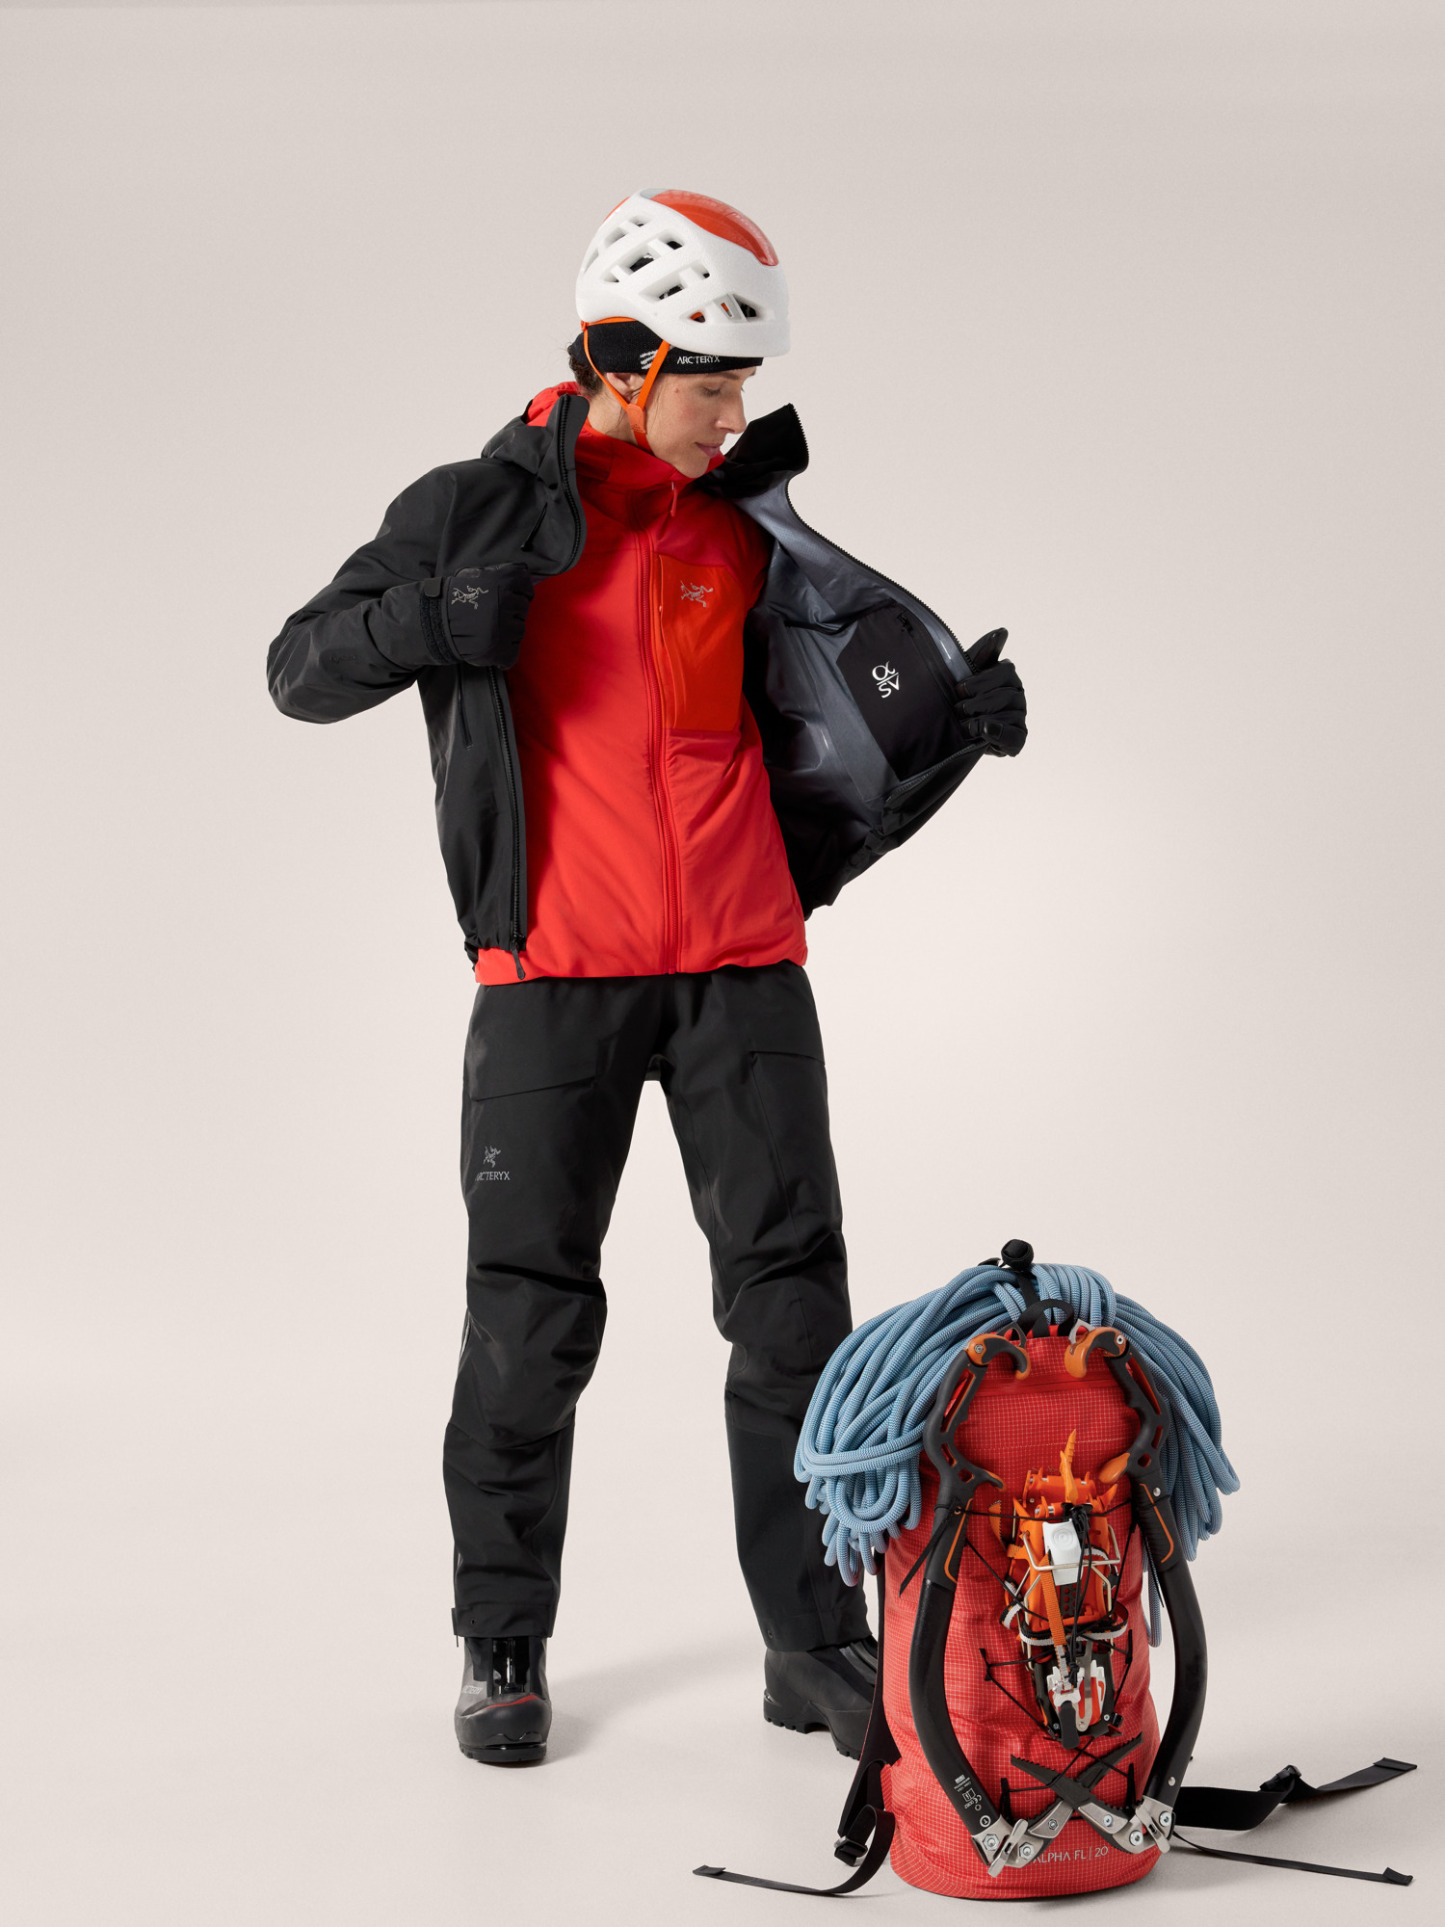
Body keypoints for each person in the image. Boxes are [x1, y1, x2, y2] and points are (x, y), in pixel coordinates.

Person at [266, 189, 1027, 1768]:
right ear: (619, 358)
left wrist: (948, 730)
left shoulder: (739, 528)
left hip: (745, 971)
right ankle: (502, 1642)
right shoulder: (472, 510)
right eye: (711, 381)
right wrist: (436, 618)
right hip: (554, 977)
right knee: (528, 1324)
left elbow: (813, 740)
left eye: (747, 383)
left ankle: (809, 1640)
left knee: (795, 1316)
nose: (734, 413)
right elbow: (299, 669)